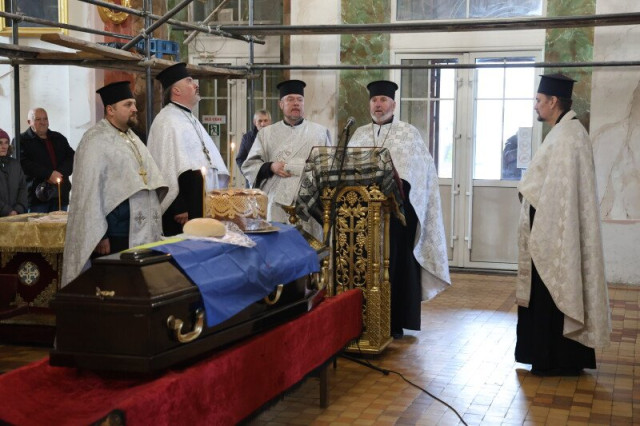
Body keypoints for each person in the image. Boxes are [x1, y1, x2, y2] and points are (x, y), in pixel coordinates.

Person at [515, 73, 611, 376]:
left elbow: (559, 194)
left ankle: (555, 359)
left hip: (555, 234)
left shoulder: (568, 136)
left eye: (538, 101)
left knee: (551, 295)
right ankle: (555, 357)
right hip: (550, 229)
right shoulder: (563, 132)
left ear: (553, 101)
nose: (535, 106)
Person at [348, 80, 450, 338]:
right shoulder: (358, 134)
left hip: (396, 217)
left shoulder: (408, 134)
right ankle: (361, 320)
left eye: (383, 100)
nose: (378, 105)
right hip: (361, 217)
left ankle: (392, 322)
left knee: (395, 268)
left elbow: (420, 173)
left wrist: (396, 190)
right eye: (374, 100)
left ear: (393, 104)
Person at [61, 81, 167, 286]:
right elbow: (89, 192)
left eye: (133, 104)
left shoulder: (132, 137)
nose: (134, 109)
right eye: (128, 104)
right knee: (115, 285)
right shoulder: (95, 140)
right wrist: (101, 235)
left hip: (139, 227)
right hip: (114, 233)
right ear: (110, 110)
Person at [241, 80, 332, 238]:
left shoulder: (320, 132)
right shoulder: (266, 134)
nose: (296, 103)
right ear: (281, 104)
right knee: (278, 247)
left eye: (299, 99)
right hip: (275, 206)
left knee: (309, 248)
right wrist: (271, 167)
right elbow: (249, 165)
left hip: (309, 205)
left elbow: (329, 167)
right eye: (290, 99)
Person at [147, 62, 229, 236]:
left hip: (200, 201)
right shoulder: (166, 120)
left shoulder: (190, 118)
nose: (195, 85)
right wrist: (178, 206)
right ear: (176, 90)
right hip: (183, 210)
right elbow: (163, 166)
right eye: (189, 81)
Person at [19, 108, 75, 212]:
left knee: (60, 223)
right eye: (38, 119)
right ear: (29, 122)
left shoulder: (59, 138)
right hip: (36, 199)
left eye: (45, 119)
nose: (43, 122)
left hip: (60, 195)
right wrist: (48, 174)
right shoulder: (21, 140)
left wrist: (58, 174)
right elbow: (23, 163)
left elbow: (72, 158)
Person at [236, 109, 272, 186]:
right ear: (255, 122)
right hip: (253, 180)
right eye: (260, 121)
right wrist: (249, 174)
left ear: (270, 122)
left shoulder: (277, 136)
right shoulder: (247, 138)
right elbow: (240, 159)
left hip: (272, 179)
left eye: (265, 121)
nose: (263, 124)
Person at [0, 129, 27, 217]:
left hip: (16, 216)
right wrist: (7, 211)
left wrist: (18, 209)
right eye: (0, 143)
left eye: (6, 142)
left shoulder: (15, 164)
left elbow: (22, 188)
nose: (4, 146)